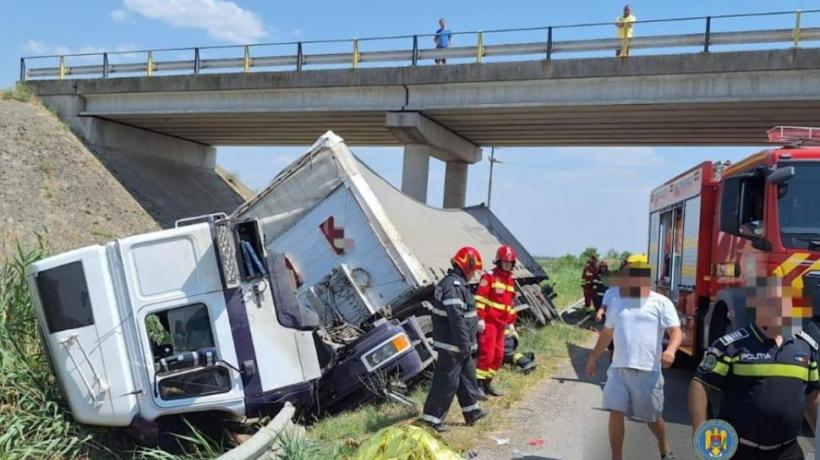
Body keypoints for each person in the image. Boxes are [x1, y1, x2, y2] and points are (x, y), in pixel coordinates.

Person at [688, 275, 820, 460]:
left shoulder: (805, 347)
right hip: (739, 449)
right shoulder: (730, 346)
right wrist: (700, 430)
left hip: (788, 451)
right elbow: (701, 384)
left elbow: (812, 397)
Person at [586, 257, 682, 460]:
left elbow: (676, 332)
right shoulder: (617, 301)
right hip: (618, 370)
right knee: (615, 411)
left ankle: (664, 446)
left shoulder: (661, 302)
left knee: (652, 418)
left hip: (647, 371)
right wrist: (593, 357)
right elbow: (607, 333)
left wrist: (671, 350)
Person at [421, 246, 489, 432]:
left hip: (460, 344)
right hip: (454, 345)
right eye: (473, 270)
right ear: (467, 266)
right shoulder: (453, 286)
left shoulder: (457, 284)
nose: (474, 275)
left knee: (467, 377)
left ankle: (472, 411)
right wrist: (464, 344)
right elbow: (456, 319)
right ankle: (432, 419)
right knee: (447, 381)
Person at [474, 245, 519, 397]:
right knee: (487, 354)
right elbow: (480, 299)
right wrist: (480, 319)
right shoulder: (489, 277)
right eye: (505, 261)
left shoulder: (510, 280)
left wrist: (511, 322)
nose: (507, 264)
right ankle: (478, 386)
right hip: (489, 323)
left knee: (499, 356)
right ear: (499, 261)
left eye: (510, 262)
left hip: (502, 324)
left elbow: (510, 304)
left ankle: (488, 383)